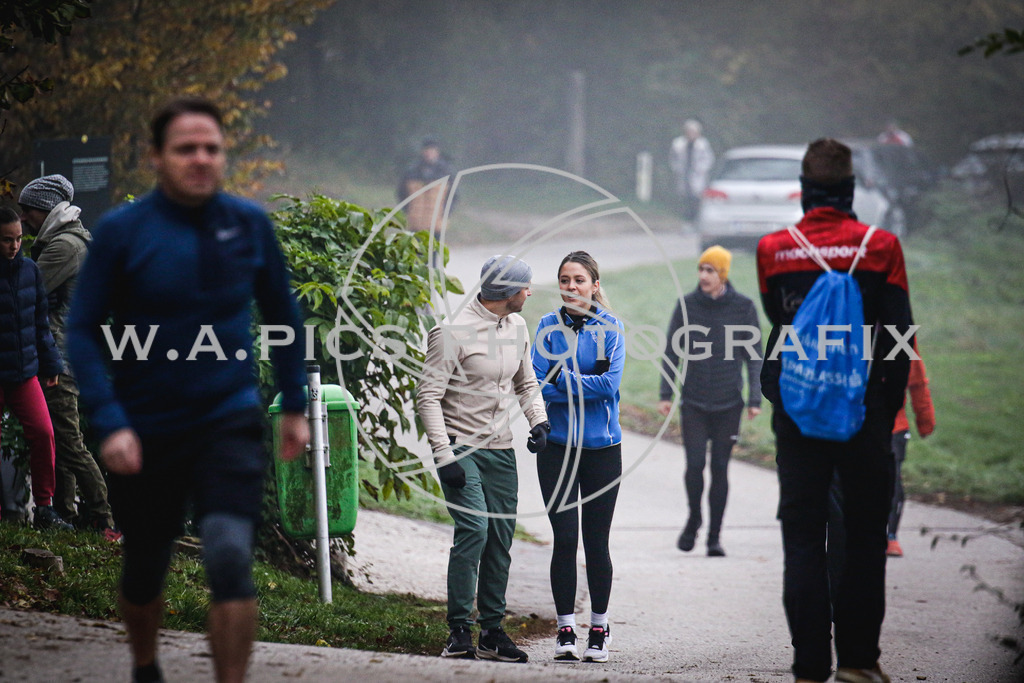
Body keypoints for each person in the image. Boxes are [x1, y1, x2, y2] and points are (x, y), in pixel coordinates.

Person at [66, 96, 309, 683]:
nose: (200, 158)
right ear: (156, 156)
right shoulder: (123, 231)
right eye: (185, 149)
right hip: (144, 426)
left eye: (211, 148)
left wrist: (295, 403)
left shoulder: (247, 224)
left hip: (227, 418)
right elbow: (81, 329)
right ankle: (145, 666)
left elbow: (284, 316)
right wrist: (109, 419)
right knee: (145, 567)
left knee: (228, 556)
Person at [756, 138, 914, 683]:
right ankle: (856, 662)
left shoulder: (774, 249)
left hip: (799, 413)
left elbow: (781, 321)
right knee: (867, 537)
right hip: (863, 413)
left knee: (802, 538)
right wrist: (884, 412)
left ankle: (808, 666)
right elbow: (899, 337)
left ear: (804, 190)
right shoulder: (883, 247)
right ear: (851, 190)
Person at [416, 254, 548, 664]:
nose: (530, 292)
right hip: (459, 448)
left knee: (501, 539)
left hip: (500, 450)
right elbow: (428, 397)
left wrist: (538, 421)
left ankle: (492, 633)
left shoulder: (517, 326)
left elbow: (525, 382)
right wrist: (444, 455)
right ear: (507, 291)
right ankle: (459, 631)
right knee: (474, 528)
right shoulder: (451, 332)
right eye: (524, 286)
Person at [531, 251, 624, 663]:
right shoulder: (546, 328)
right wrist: (579, 383)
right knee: (565, 539)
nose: (571, 287)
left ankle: (599, 629)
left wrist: (562, 378)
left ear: (594, 285)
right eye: (565, 280)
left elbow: (609, 386)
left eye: (579, 280)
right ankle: (566, 628)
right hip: (558, 449)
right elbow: (535, 384)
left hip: (603, 449)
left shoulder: (612, 328)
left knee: (596, 542)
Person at [18, 174, 118, 538]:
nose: (24, 218)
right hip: (62, 350)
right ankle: (64, 514)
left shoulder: (65, 247)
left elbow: (24, 291)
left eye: (28, 210)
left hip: (59, 354)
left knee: (68, 440)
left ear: (46, 209)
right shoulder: (68, 240)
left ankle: (103, 520)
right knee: (60, 438)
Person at [658, 245, 762, 557]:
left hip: (729, 403)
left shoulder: (744, 307)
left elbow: (754, 356)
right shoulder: (687, 305)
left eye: (710, 270)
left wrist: (755, 398)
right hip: (693, 401)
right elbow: (671, 352)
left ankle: (714, 537)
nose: (703, 276)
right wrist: (665, 394)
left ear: (723, 275)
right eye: (701, 269)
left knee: (719, 467)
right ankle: (694, 518)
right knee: (694, 466)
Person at [0, 207, 70, 531]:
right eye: (6, 240)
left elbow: (40, 324)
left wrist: (51, 364)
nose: (14, 246)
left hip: (24, 373)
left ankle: (44, 508)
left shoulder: (30, 270)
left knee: (44, 433)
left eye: (18, 239)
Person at [885, 341, 934, 557]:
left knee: (891, 479)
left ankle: (890, 536)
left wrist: (925, 421)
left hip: (893, 425)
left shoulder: (898, 333)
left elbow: (916, 380)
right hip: (849, 422)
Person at [397, 137, 458, 233]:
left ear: (437, 151)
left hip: (436, 225)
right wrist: (408, 211)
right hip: (415, 224)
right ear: (422, 151)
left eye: (432, 150)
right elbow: (401, 193)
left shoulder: (446, 172)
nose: (429, 153)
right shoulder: (411, 171)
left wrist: (445, 213)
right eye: (427, 149)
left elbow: (453, 195)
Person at [669, 119, 715, 221]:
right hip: (683, 174)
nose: (691, 134)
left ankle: (696, 218)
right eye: (689, 131)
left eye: (693, 132)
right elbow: (673, 158)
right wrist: (676, 169)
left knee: (697, 197)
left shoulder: (703, 144)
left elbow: (709, 159)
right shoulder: (678, 144)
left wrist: (701, 169)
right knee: (684, 197)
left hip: (698, 175)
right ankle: (686, 219)